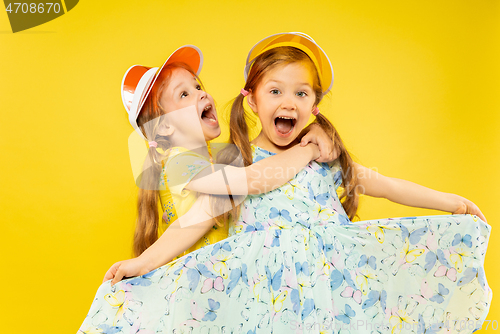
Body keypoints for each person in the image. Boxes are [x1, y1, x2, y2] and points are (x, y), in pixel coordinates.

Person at [79, 35, 491, 334]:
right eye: (275, 90)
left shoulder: (326, 157)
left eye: (301, 92)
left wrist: (451, 202)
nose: (288, 101)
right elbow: (196, 219)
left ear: (314, 105)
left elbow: (384, 185)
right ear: (252, 100)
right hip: (265, 292)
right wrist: (142, 263)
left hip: (333, 285)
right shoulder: (234, 161)